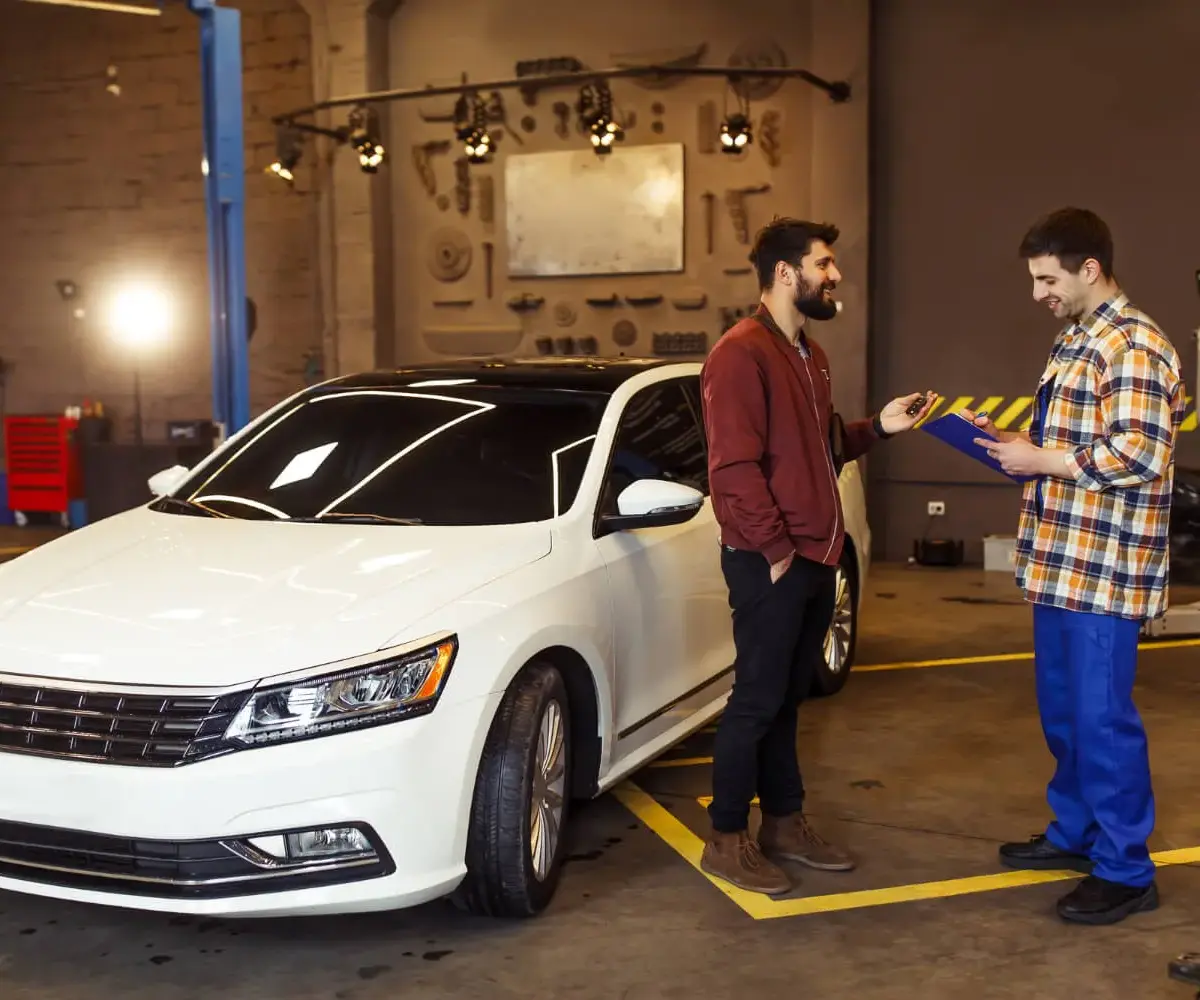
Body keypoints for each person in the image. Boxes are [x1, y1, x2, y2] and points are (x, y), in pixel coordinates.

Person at [698, 217, 936, 895]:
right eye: (823, 264)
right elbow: (733, 470)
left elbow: (819, 449)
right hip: (773, 559)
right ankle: (725, 837)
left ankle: (783, 821)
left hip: (814, 558)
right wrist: (774, 551)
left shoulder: (810, 356)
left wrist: (877, 429)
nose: (834, 277)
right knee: (754, 701)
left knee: (787, 700)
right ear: (785, 273)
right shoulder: (740, 354)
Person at [968, 207, 1187, 925]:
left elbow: (1140, 454)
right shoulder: (1075, 342)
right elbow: (1069, 441)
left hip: (1104, 571)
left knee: (1102, 723)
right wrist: (1006, 442)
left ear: (1089, 268)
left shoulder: (1134, 344)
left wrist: (1042, 459)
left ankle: (1125, 870)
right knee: (1065, 717)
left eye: (1047, 278)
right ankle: (1077, 834)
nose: (1038, 294)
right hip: (1062, 563)